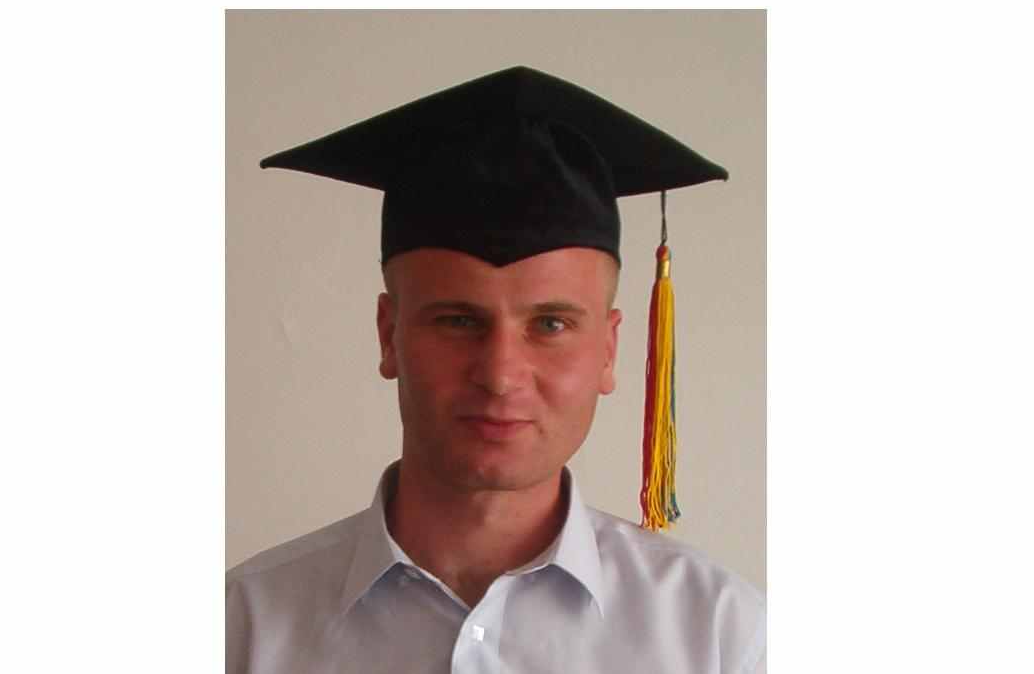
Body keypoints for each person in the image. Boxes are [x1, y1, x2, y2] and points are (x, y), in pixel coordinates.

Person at [226, 66, 765, 673]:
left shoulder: (721, 637)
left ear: (609, 350)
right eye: (458, 321)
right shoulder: (240, 630)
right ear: (388, 335)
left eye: (551, 324)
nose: (501, 374)